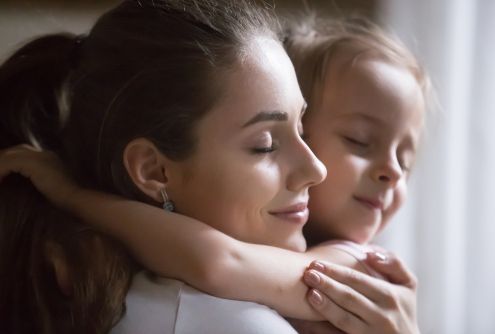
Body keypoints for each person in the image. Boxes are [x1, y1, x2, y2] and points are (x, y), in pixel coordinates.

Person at [0, 4, 428, 334]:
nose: (314, 168)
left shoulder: (359, 265)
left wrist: (75, 197)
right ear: (154, 172)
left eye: (301, 127)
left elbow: (212, 259)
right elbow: (213, 259)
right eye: (264, 145)